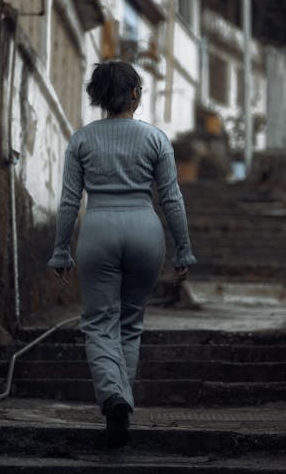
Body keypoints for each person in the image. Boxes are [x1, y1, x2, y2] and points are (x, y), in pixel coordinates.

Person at [47, 61, 196, 448]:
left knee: (98, 323)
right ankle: (121, 403)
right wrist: (184, 248)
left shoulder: (80, 141)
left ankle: (115, 398)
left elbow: (68, 202)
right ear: (135, 94)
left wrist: (61, 250)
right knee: (130, 322)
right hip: (145, 231)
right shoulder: (156, 139)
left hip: (98, 230)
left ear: (97, 97)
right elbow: (171, 198)